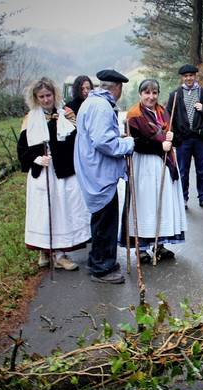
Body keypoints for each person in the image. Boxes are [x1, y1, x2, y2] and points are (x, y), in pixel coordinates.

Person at [16, 77, 90, 271]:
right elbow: (22, 149)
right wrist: (36, 158)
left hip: (63, 173)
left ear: (54, 94)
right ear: (35, 98)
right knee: (43, 212)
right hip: (43, 174)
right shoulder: (30, 119)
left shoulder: (66, 114)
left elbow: (76, 142)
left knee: (61, 212)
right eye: (41, 97)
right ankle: (44, 250)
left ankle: (59, 254)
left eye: (48, 95)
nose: (46, 100)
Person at [75, 69, 135, 284]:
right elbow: (103, 142)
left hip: (95, 171)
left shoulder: (92, 102)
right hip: (99, 174)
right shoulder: (101, 106)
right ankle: (102, 269)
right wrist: (128, 143)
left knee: (101, 219)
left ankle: (97, 260)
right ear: (117, 88)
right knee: (105, 222)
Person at [124, 79, 187, 261]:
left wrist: (173, 138)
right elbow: (135, 144)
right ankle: (141, 247)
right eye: (147, 93)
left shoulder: (164, 113)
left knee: (161, 202)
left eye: (154, 93)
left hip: (163, 163)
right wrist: (160, 147)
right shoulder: (134, 115)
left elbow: (177, 138)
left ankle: (159, 244)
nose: (151, 97)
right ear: (140, 94)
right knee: (145, 204)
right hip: (144, 164)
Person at [166, 64, 203, 209]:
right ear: (182, 78)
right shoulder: (175, 94)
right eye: (186, 76)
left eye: (191, 75)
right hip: (182, 139)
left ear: (195, 76)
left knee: (201, 170)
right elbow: (168, 116)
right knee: (183, 170)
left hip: (201, 138)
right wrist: (171, 134)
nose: (189, 78)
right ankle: (183, 198)